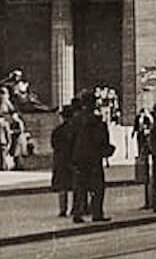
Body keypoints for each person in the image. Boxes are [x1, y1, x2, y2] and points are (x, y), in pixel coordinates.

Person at [68, 94, 112, 223]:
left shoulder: (75, 120)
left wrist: (71, 158)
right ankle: (97, 213)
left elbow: (70, 140)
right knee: (97, 187)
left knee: (80, 187)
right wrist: (107, 149)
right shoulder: (97, 121)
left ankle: (77, 213)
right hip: (94, 157)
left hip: (78, 157)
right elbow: (101, 140)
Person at [48, 103, 76, 217]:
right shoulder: (75, 130)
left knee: (62, 187)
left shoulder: (57, 130)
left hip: (61, 160)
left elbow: (53, 145)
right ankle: (75, 208)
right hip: (73, 159)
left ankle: (63, 209)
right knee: (76, 185)